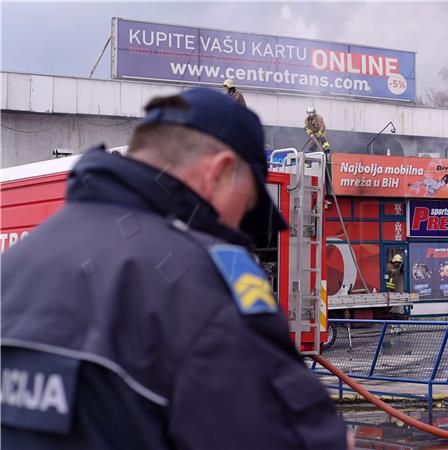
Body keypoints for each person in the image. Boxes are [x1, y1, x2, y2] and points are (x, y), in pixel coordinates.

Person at [1, 88, 350, 449]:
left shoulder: (16, 265)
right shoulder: (203, 285)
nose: (238, 229)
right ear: (219, 172)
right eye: (246, 208)